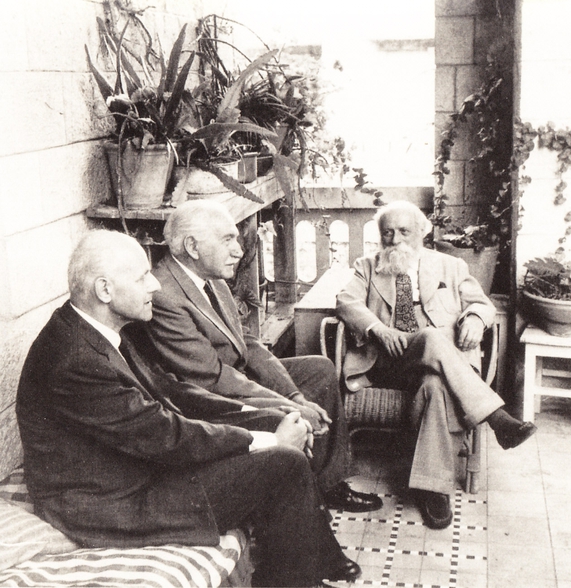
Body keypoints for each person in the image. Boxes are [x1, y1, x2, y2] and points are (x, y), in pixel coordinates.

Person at [16, 229, 362, 588]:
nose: (155, 285)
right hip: (109, 503)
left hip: (133, 470)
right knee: (283, 464)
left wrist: (257, 417)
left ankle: (301, 565)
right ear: (104, 290)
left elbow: (171, 390)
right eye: (142, 277)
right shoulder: (74, 360)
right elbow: (164, 434)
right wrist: (270, 441)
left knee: (275, 424)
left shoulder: (97, 329)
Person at [139, 199, 384, 513]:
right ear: (193, 246)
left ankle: (328, 483)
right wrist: (290, 403)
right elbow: (211, 377)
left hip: (237, 378)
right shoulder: (165, 296)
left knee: (320, 369)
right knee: (289, 412)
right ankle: (301, 498)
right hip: (210, 397)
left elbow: (248, 343)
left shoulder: (209, 278)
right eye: (228, 240)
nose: (239, 251)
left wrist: (294, 391)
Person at [336, 200, 537, 529]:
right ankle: (496, 417)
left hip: (440, 368)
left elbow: (482, 305)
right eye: (388, 234)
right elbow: (345, 301)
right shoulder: (368, 266)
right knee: (430, 338)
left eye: (404, 232)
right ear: (380, 237)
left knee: (435, 387)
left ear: (422, 233)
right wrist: (379, 329)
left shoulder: (451, 267)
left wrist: (474, 318)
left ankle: (433, 490)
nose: (396, 240)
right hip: (390, 362)